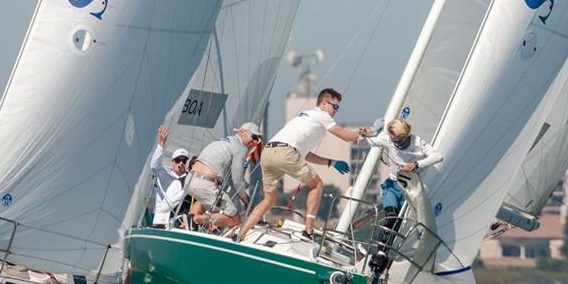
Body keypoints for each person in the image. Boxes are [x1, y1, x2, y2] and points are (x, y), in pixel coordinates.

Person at [238, 88, 373, 241]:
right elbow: (346, 136)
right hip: (286, 152)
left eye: (338, 108)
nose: (336, 111)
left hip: (268, 152)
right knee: (317, 185)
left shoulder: (304, 117)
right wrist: (366, 132)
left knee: (269, 200)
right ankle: (308, 231)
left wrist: (331, 162)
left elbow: (305, 154)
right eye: (334, 107)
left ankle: (241, 233)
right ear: (323, 104)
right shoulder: (323, 116)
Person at [367, 118, 443, 242]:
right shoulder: (387, 138)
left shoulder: (417, 142)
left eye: (398, 139)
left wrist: (416, 164)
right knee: (391, 217)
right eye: (393, 138)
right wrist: (369, 131)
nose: (395, 142)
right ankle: (380, 249)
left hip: (410, 189)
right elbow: (371, 141)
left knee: (398, 222)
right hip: (392, 185)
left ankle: (386, 251)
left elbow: (438, 156)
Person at [185, 122, 263, 230]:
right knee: (235, 219)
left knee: (205, 202)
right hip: (206, 184)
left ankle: (186, 224)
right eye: (253, 137)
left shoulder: (223, 141)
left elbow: (231, 179)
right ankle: (196, 219)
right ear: (242, 132)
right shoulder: (241, 147)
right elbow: (237, 181)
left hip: (190, 180)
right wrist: (247, 202)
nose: (255, 142)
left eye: (257, 139)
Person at [150, 126, 189, 228]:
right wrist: (161, 144)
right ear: (172, 163)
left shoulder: (190, 180)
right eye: (177, 160)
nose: (181, 163)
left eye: (184, 161)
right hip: (161, 222)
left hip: (179, 223)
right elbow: (154, 165)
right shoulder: (165, 175)